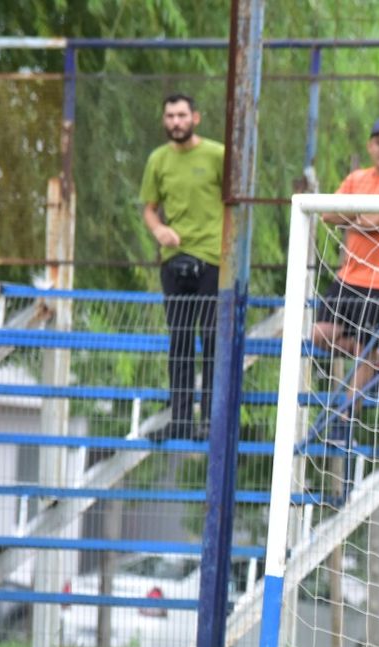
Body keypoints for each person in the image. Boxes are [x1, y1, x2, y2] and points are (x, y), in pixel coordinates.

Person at [312, 116, 379, 443]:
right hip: (351, 274)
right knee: (319, 333)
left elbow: (375, 221)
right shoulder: (357, 178)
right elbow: (327, 213)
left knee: (365, 346)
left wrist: (354, 218)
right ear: (371, 146)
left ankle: (345, 417)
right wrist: (358, 218)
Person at [140, 93, 225, 442]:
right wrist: (159, 229)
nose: (176, 122)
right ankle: (180, 419)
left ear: (196, 118)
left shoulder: (217, 154)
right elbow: (148, 207)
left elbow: (235, 201)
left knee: (213, 338)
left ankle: (210, 420)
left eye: (182, 115)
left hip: (213, 259)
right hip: (174, 261)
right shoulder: (158, 160)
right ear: (164, 121)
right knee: (179, 341)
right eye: (170, 116)